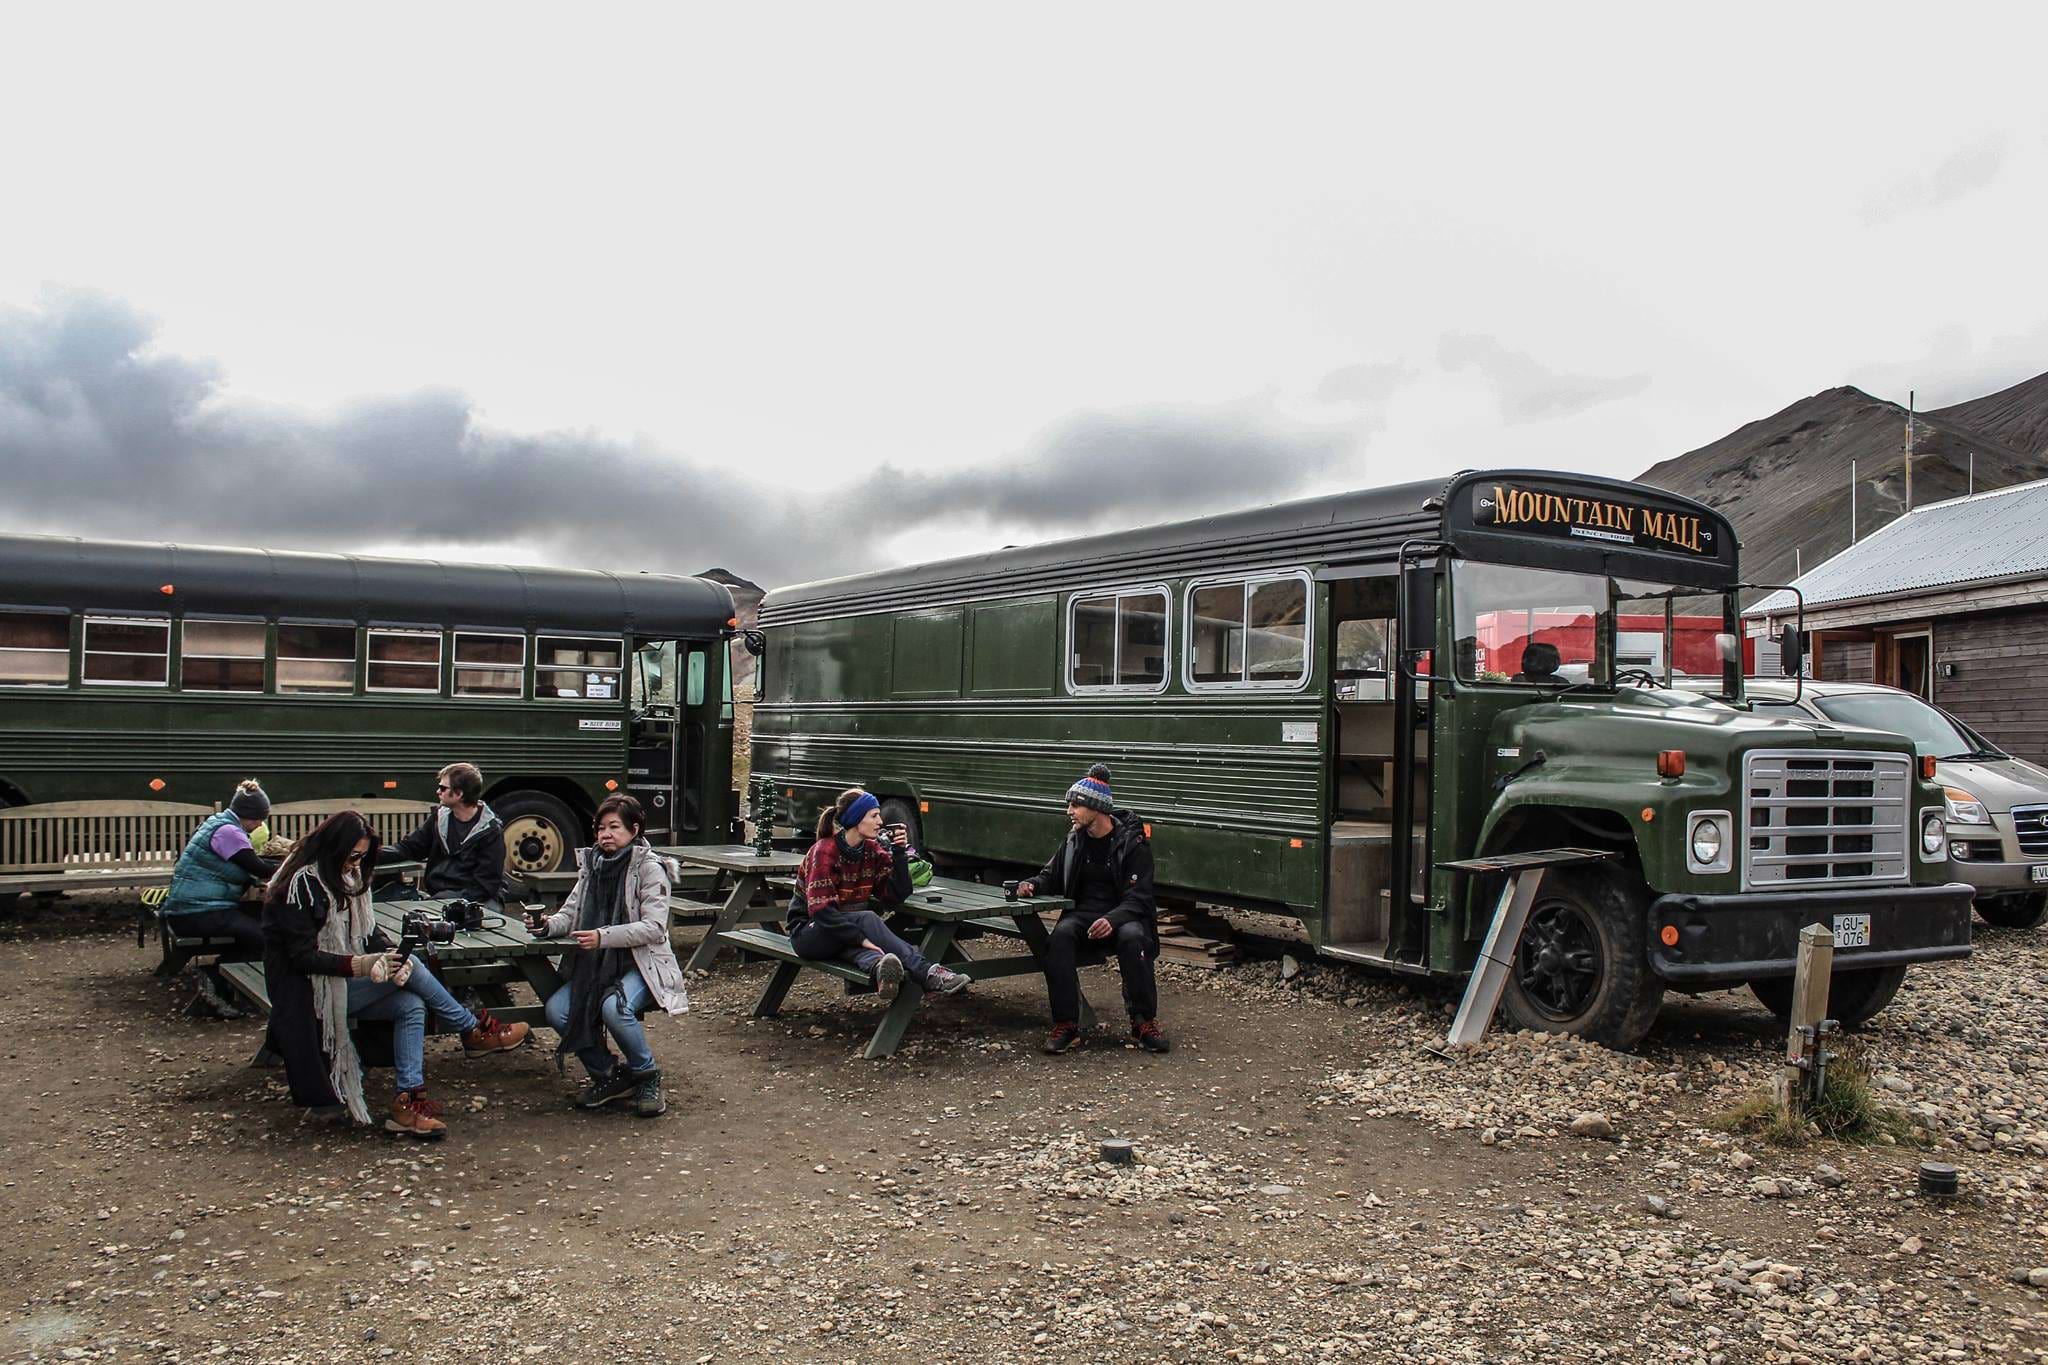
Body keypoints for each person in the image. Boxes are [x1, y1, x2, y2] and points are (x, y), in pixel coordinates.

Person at [261, 809, 531, 1138]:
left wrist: (388, 953)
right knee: (414, 967)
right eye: (353, 855)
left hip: (340, 983)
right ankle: (471, 1029)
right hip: (306, 992)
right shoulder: (300, 884)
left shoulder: (346, 878)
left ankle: (408, 1102)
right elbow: (302, 958)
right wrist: (361, 964)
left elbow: (369, 930)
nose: (356, 864)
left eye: (362, 857)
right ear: (334, 847)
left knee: (410, 1004)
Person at [527, 795, 689, 1118]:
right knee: (558, 1010)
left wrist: (603, 937)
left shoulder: (650, 868)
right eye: (601, 828)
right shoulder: (592, 864)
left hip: (643, 965)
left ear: (634, 829)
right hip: (596, 966)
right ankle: (609, 1075)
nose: (606, 835)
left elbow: (654, 928)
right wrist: (545, 925)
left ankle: (647, 1075)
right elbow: (571, 913)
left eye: (614, 827)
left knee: (615, 1007)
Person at [1016, 764, 1168, 1055]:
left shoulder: (1132, 843)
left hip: (1124, 916)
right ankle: (1066, 1024)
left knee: (1133, 938)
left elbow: (1141, 898)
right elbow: (1051, 874)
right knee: (1059, 938)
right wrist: (1032, 884)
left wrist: (1112, 919)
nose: (1069, 811)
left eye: (1075, 805)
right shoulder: (1074, 840)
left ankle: (1143, 1022)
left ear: (1095, 808)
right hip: (1084, 916)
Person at [786, 788, 971, 1000]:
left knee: (874, 953)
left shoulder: (872, 851)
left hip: (841, 935)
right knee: (867, 920)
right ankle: (928, 973)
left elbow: (895, 895)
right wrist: (860, 937)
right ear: (857, 819)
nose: (880, 822)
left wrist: (900, 852)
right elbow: (822, 911)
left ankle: (883, 971)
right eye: (874, 815)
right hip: (808, 933)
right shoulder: (824, 851)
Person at [160, 779, 280, 960]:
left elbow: (248, 861)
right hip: (196, 913)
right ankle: (224, 976)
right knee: (262, 936)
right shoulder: (229, 833)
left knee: (265, 916)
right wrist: (294, 865)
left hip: (192, 908)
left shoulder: (218, 822)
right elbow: (259, 868)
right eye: (258, 819)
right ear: (247, 815)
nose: (260, 825)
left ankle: (224, 968)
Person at [378, 762, 510, 908]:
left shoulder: (490, 830)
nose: (438, 792)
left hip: (481, 899)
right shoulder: (439, 819)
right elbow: (410, 847)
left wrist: (450, 902)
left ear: (459, 794)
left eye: (443, 788)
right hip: (441, 896)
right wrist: (371, 854)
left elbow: (486, 884)